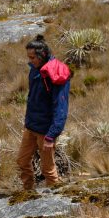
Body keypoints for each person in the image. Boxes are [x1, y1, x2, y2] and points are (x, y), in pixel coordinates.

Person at [17, 34, 71, 191]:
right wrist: (28, 122)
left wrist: (51, 135)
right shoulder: (34, 70)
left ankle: (55, 197)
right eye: (29, 57)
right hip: (31, 126)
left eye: (33, 57)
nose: (30, 60)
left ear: (42, 55)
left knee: (48, 168)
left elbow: (60, 108)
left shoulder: (55, 74)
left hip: (46, 130)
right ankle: (28, 191)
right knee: (22, 160)